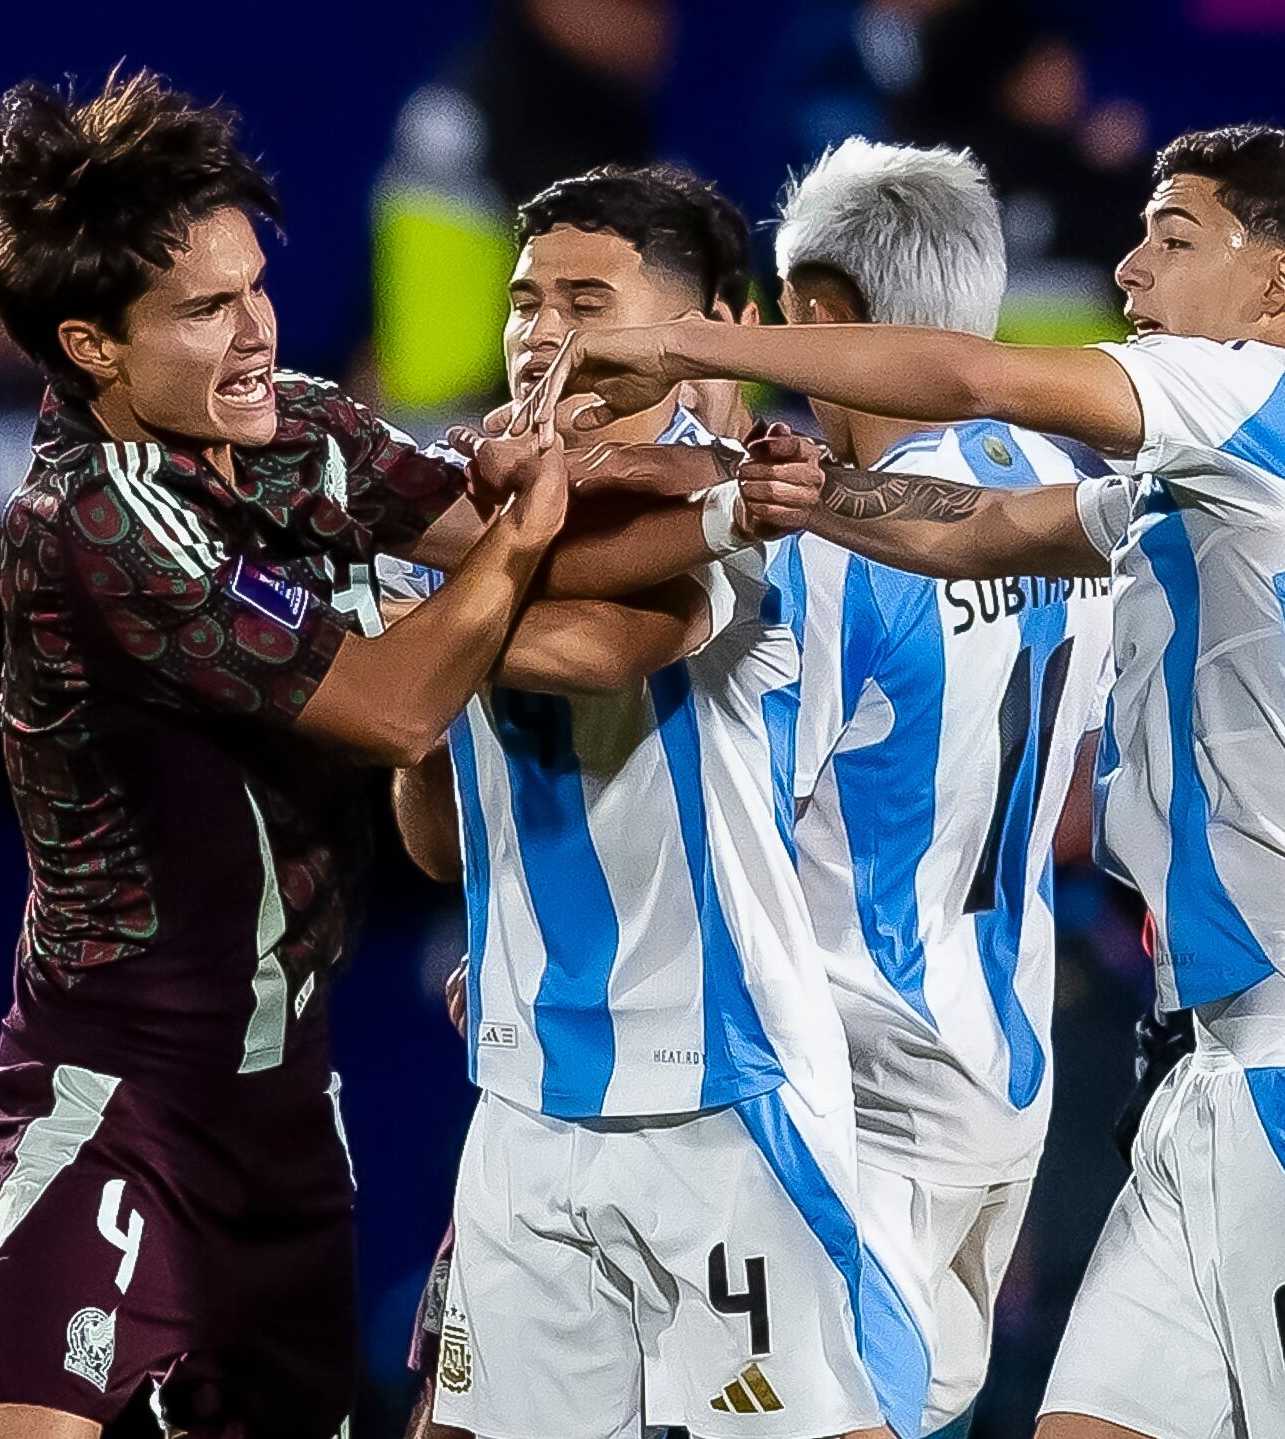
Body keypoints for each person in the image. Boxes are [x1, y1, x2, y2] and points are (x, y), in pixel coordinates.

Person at [559, 124, 1285, 1436]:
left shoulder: (1268, 400)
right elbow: (979, 528)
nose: (1127, 267)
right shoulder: (1233, 465)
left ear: (1278, 288)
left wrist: (686, 345)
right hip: (1217, 1062)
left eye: (1171, 237)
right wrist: (812, 496)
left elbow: (968, 374)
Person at [0, 68, 577, 1439]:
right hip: (121, 1092)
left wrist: (723, 501)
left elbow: (507, 526)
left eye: (252, 288)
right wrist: (527, 534)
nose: (254, 335)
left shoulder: (292, 429)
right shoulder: (88, 520)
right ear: (92, 344)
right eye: (201, 309)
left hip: (288, 1103)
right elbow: (404, 704)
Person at [384, 163, 898, 1439]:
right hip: (525, 1083)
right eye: (523, 301)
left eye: (585, 301)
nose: (541, 335)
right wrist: (413, 718)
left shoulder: (739, 497)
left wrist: (413, 635)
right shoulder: (460, 517)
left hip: (719, 1082)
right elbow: (441, 848)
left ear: (687, 328)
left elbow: (611, 645)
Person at [770, 138, 1113, 1439]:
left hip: (857, 1093)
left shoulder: (837, 540)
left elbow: (736, 844)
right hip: (1003, 1081)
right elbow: (1079, 795)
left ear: (819, 318)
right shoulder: (1068, 504)